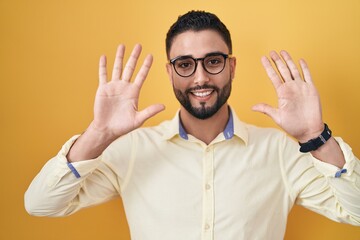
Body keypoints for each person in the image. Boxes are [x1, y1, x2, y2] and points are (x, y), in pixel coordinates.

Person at [25, 10, 360, 239]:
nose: (201, 78)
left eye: (213, 61)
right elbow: (41, 204)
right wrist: (99, 134)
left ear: (231, 67)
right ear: (170, 72)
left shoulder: (280, 153)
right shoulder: (131, 151)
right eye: (185, 64)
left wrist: (317, 137)